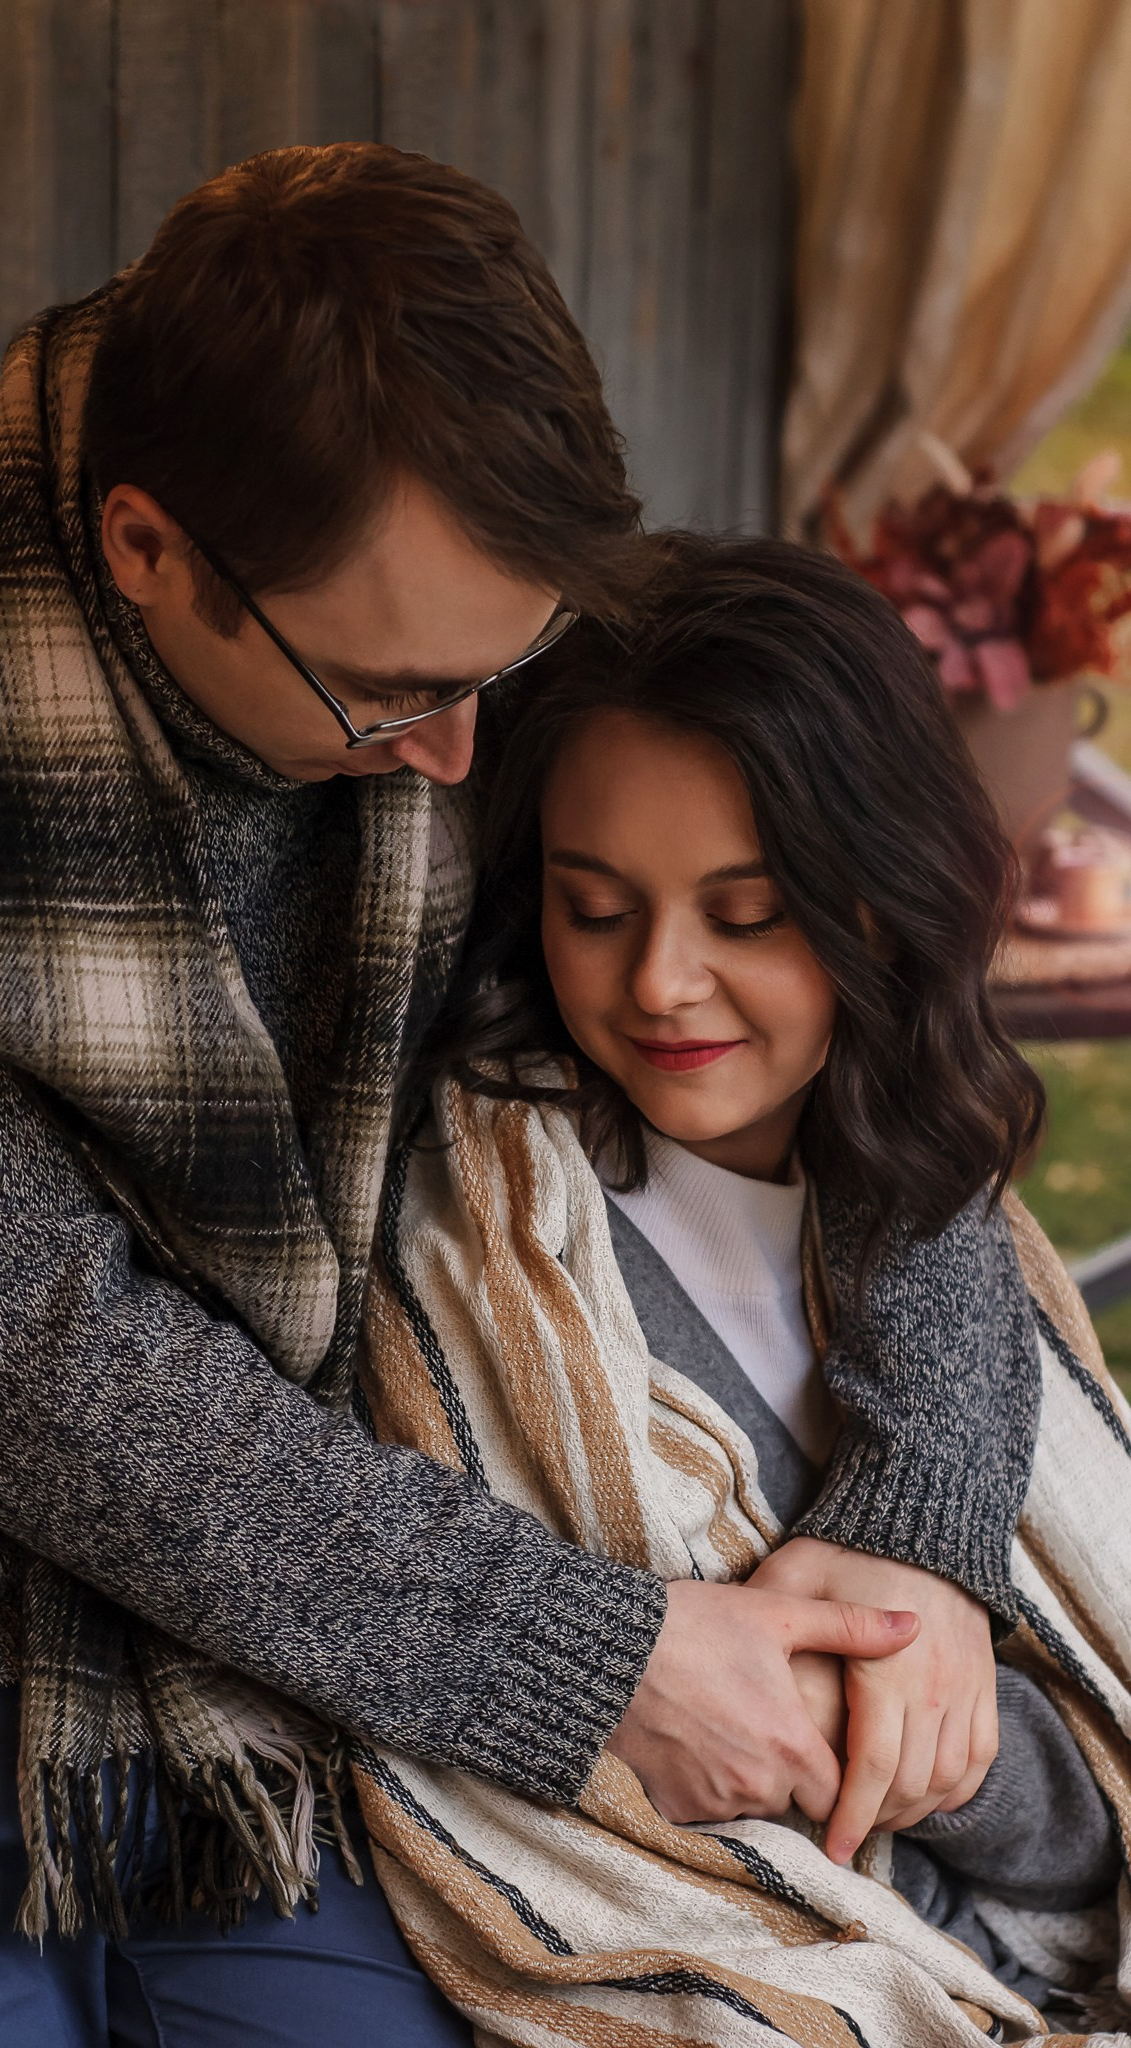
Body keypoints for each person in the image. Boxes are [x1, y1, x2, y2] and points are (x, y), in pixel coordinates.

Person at [0, 146, 1040, 2047]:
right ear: (148, 553)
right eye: (390, 697)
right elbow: (2, 1333)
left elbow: (879, 1052)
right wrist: (585, 1661)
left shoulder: (483, 603)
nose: (458, 754)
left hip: (348, 1553)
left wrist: (928, 1533)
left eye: (502, 667)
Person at [355, 532, 1130, 2044]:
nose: (659, 982)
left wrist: (951, 1752)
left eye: (748, 914)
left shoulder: (943, 1235)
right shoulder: (483, 1251)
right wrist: (917, 1740)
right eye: (597, 909)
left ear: (877, 899)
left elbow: (1092, 1834)